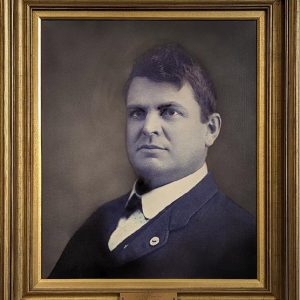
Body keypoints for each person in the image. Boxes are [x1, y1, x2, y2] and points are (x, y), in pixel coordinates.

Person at [49, 43, 256, 279]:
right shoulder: (100, 221)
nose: (148, 128)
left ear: (210, 129)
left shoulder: (243, 241)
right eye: (137, 113)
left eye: (169, 112)